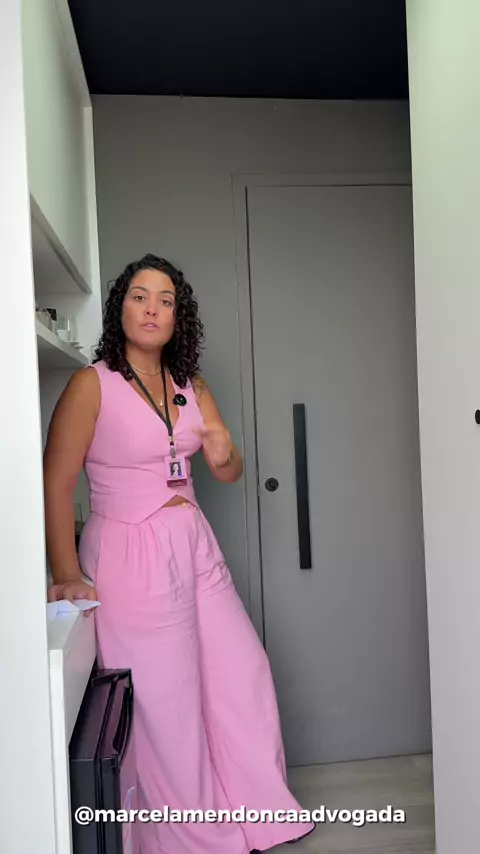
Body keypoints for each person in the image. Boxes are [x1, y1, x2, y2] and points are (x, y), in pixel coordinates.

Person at [44, 254, 315, 854]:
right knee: (165, 699)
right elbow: (56, 483)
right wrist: (65, 572)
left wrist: (224, 452)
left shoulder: (192, 385)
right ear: (120, 308)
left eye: (165, 301)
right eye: (140, 296)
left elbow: (228, 470)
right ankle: (189, 835)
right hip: (129, 549)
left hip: (192, 542)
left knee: (241, 671)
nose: (152, 309)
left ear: (177, 317)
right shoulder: (92, 384)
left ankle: (257, 810)